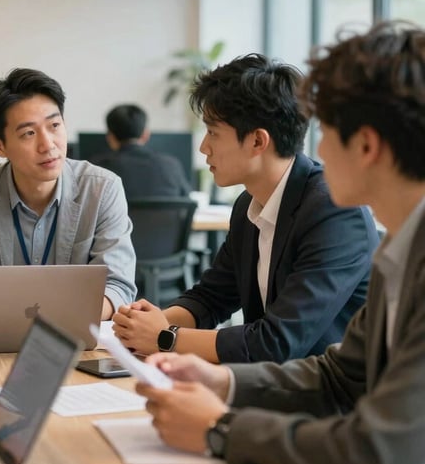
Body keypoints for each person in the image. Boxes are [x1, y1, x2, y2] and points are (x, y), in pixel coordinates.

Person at [136, 22, 425, 464]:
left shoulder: (367, 231)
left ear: (367, 146)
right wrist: (222, 383)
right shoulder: (399, 249)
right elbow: (339, 375)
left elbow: (377, 454)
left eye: (327, 133)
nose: (316, 150)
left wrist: (219, 428)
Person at [113, 53, 378, 363]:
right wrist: (147, 324)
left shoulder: (334, 212)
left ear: (257, 141)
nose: (203, 148)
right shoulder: (249, 205)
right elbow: (211, 297)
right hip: (271, 386)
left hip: (328, 399)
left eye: (212, 132)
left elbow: (277, 342)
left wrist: (164, 338)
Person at [0, 67, 137, 328]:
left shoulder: (102, 189)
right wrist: (3, 324)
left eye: (55, 125)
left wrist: (60, 321)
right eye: (29, 134)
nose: (48, 145)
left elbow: (117, 285)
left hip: (73, 341)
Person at [90, 103, 191, 198]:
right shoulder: (171, 165)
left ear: (110, 137)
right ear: (145, 134)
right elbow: (186, 200)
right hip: (163, 218)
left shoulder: (97, 169)